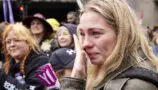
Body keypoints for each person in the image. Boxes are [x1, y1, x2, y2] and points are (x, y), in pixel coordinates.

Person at [60, 0, 158, 90]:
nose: (85, 44)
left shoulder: (134, 86)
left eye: (95, 33)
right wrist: (77, 76)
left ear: (122, 33)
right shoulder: (104, 72)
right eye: (82, 34)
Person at [0, 23, 59, 90]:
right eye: (8, 42)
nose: (12, 44)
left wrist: (3, 79)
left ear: (28, 42)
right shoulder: (10, 64)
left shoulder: (41, 62)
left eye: (17, 40)